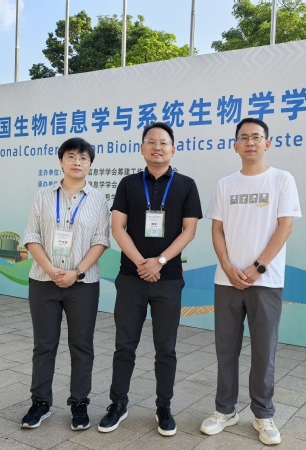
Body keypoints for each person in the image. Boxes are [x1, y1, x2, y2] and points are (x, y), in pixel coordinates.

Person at [201, 118, 302, 445]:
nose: (250, 142)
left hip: (266, 282)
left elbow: (285, 226)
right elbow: (217, 228)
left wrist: (258, 267)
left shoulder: (282, 179)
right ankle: (225, 410)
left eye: (256, 137)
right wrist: (227, 266)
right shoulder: (225, 184)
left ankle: (263, 414)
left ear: (267, 143)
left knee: (264, 351)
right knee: (226, 349)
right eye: (243, 138)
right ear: (235, 145)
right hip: (227, 281)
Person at [98, 122, 202, 437]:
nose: (157, 147)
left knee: (165, 348)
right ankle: (118, 404)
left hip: (168, 279)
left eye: (163, 142)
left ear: (173, 149)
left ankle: (164, 407)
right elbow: (117, 228)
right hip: (131, 278)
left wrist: (159, 261)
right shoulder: (128, 183)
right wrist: (141, 262)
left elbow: (189, 231)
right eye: (151, 142)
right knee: (124, 345)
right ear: (142, 148)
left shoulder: (186, 185)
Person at [20, 137, 110, 431]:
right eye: (71, 156)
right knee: (44, 345)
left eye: (83, 158)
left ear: (90, 164)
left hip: (83, 284)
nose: (77, 162)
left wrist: (77, 272)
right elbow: (31, 236)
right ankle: (40, 402)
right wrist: (51, 270)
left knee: (81, 345)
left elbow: (101, 241)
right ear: (61, 161)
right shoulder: (43, 195)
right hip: (43, 281)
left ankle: (79, 404)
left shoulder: (98, 200)